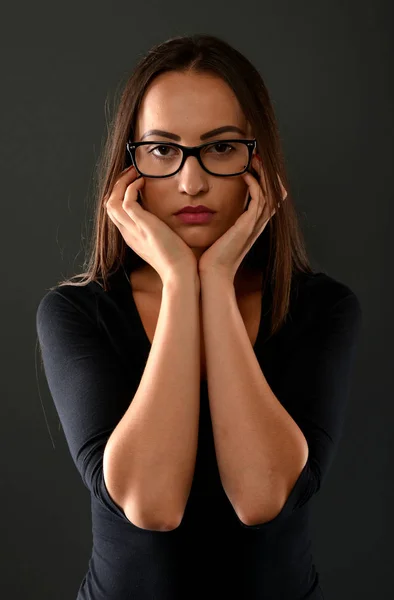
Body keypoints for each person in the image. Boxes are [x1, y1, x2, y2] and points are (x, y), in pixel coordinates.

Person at [36, 34, 362, 600]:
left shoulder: (322, 307)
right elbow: (151, 504)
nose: (192, 182)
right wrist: (182, 280)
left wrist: (213, 279)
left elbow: (261, 499)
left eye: (220, 147)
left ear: (257, 161)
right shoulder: (75, 312)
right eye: (162, 150)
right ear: (128, 167)